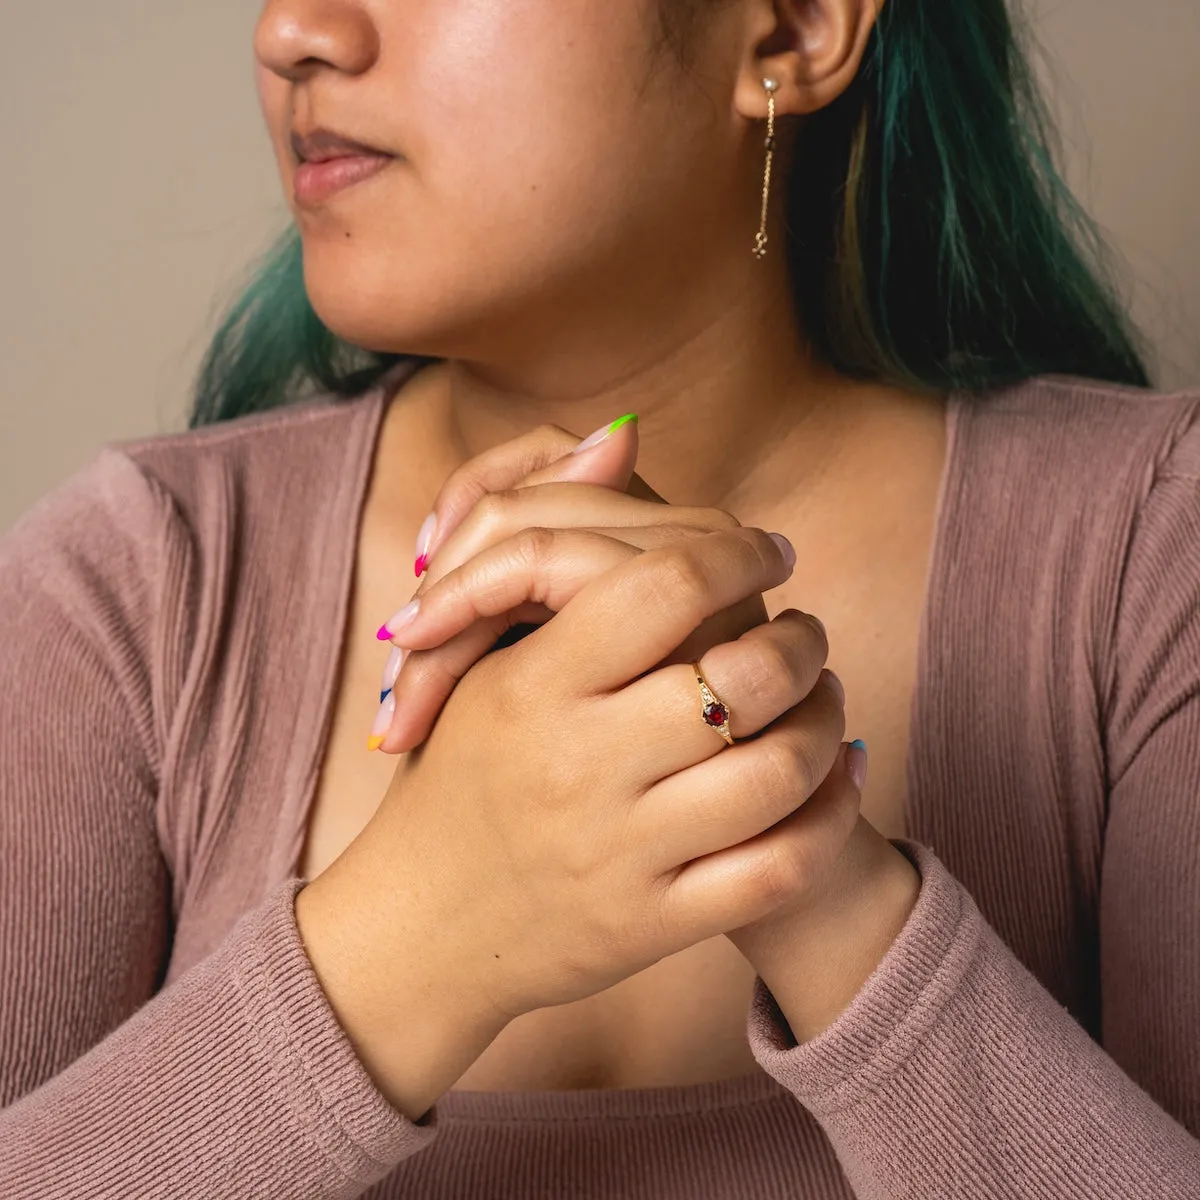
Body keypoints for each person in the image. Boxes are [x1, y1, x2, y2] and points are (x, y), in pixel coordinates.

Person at [2, 0, 1198, 1195]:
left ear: (793, 30)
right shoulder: (133, 587)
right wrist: (416, 936)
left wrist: (814, 876)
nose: (293, 32)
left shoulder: (1154, 551)